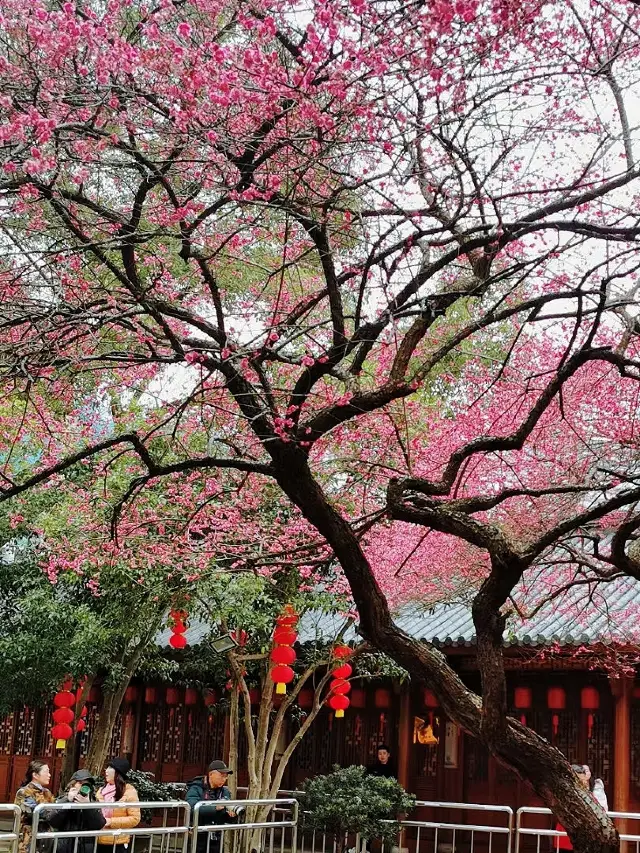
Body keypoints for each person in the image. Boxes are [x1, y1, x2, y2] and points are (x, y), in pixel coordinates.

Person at [46, 770, 106, 853]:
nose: (83, 787)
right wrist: (68, 801)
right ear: (72, 784)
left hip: (85, 847)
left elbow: (99, 824)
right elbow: (52, 821)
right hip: (64, 847)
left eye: (86, 784)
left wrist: (87, 806)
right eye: (80, 783)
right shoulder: (63, 799)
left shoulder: (93, 802)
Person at [186, 760, 237, 853]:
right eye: (221, 775)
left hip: (216, 836)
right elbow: (192, 808)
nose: (224, 779)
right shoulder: (196, 788)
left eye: (226, 777)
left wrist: (231, 815)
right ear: (211, 774)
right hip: (198, 835)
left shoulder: (224, 792)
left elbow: (224, 816)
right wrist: (214, 807)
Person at [96, 758, 141, 853]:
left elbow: (135, 818)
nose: (106, 770)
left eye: (110, 768)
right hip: (97, 840)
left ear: (118, 772)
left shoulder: (129, 792)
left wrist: (110, 822)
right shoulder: (101, 791)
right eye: (106, 767)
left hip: (118, 842)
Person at [14, 760, 55, 853]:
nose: (49, 775)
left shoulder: (47, 792)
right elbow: (34, 812)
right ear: (35, 775)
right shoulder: (23, 792)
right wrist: (53, 810)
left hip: (45, 838)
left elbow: (55, 807)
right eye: (46, 772)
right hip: (27, 839)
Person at [554, 765, 590, 850]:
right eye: (579, 781)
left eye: (584, 781)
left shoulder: (589, 796)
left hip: (583, 840)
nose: (583, 783)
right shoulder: (562, 795)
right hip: (565, 838)